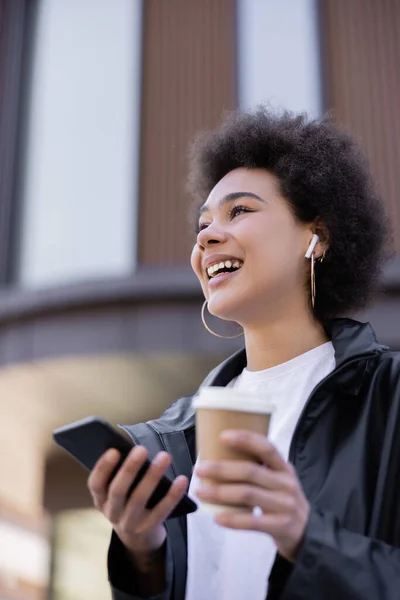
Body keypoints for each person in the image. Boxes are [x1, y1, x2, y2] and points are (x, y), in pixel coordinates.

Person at [87, 107, 400, 600]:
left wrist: (306, 536)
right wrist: (141, 554)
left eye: (241, 211)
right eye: (203, 222)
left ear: (316, 237)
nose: (205, 236)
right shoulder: (172, 438)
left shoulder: (390, 398)